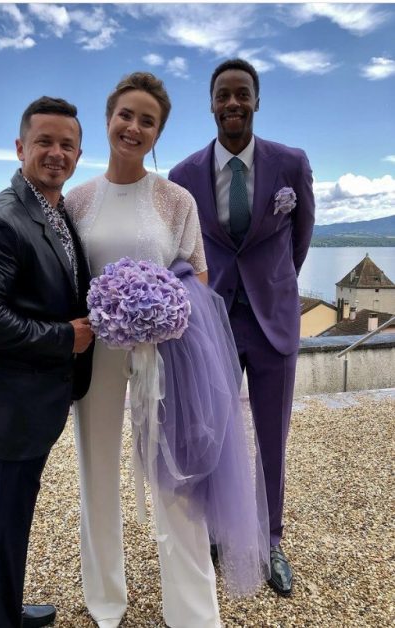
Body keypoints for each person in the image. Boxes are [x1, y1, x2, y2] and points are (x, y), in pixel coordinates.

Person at [65, 72, 269, 628]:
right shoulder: (78, 201)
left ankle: (193, 612)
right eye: (126, 115)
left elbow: (198, 276)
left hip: (166, 352)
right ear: (108, 119)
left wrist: (160, 308)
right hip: (96, 350)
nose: (134, 127)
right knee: (97, 471)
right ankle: (106, 601)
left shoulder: (176, 199)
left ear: (158, 132)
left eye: (147, 121)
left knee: (177, 476)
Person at [169, 58, 316, 597]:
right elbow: (183, 248)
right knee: (211, 433)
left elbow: (301, 237)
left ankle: (271, 540)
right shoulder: (183, 175)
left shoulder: (290, 164)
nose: (233, 103)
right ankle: (212, 531)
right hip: (213, 325)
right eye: (223, 94)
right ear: (211, 104)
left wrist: (272, 286)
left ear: (256, 100)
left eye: (242, 93)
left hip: (273, 322)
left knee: (272, 438)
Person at [0, 96, 94, 628]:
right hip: (6, 410)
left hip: (25, 405)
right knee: (2, 527)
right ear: (20, 147)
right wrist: (64, 338)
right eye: (44, 142)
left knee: (2, 522)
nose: (56, 153)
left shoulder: (54, 210)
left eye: (67, 145)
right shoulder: (1, 221)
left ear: (78, 154)